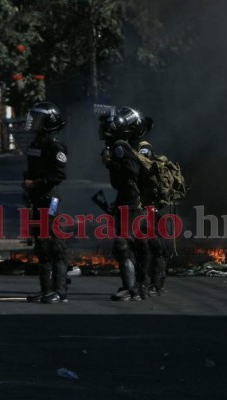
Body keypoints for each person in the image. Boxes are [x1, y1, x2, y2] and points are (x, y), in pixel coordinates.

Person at [98, 106, 152, 301]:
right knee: (136, 244)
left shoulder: (120, 147)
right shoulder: (119, 146)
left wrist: (110, 162)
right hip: (128, 201)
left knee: (123, 244)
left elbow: (132, 172)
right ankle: (138, 287)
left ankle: (132, 288)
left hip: (131, 203)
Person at [22, 102, 69, 304]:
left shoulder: (55, 145)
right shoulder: (36, 144)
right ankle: (45, 289)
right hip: (36, 199)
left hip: (50, 199)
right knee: (41, 245)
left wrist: (36, 184)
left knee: (54, 244)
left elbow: (59, 175)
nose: (34, 122)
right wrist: (28, 187)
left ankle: (60, 290)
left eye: (39, 119)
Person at [133, 140, 168, 298]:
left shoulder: (141, 167)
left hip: (147, 214)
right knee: (156, 250)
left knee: (149, 250)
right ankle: (154, 285)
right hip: (152, 213)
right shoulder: (157, 166)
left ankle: (148, 284)